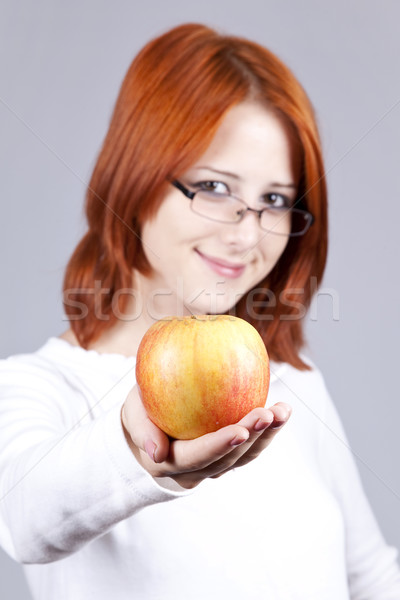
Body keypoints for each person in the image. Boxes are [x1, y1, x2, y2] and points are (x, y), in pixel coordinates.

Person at [0, 22, 399, 600]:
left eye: (276, 200)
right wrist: (136, 452)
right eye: (215, 186)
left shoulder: (289, 381)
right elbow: (20, 521)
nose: (248, 233)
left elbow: (370, 579)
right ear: (135, 177)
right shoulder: (37, 385)